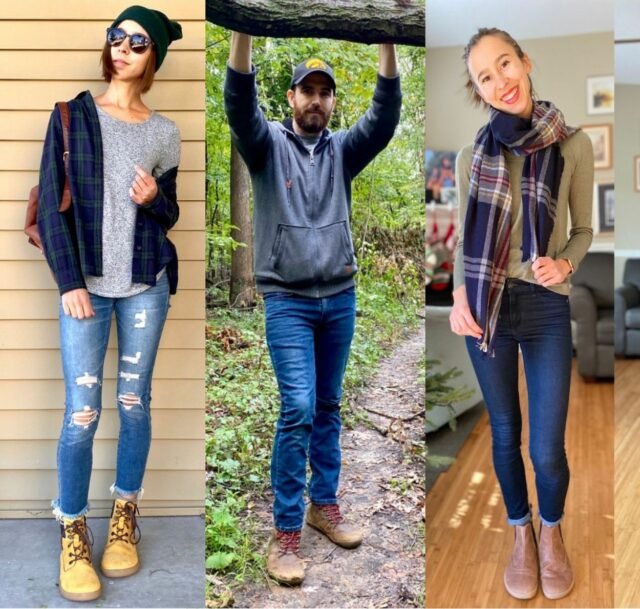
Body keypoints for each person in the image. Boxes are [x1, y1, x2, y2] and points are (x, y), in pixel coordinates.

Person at [223, 32, 400, 585]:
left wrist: (388, 43)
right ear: (292, 98)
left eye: (326, 92)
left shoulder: (343, 151)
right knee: (297, 408)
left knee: (327, 405)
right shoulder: (265, 146)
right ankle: (285, 536)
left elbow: (386, 117)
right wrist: (242, 27)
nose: (317, 100)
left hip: (340, 300)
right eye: (308, 90)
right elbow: (238, 100)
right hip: (289, 303)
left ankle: (324, 507)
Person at [36, 5, 182, 601]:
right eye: (116, 37)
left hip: (146, 284)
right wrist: (69, 282)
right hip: (87, 290)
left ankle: (124, 518)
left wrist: (153, 199)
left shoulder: (163, 132)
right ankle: (73, 528)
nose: (122, 47)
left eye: (138, 42)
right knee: (82, 412)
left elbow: (170, 214)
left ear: (153, 59)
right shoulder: (71, 117)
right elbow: (50, 203)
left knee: (134, 403)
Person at [447, 27, 593, 601]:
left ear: (525, 62)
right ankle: (520, 533)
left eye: (505, 64)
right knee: (504, 434)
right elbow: (464, 240)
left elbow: (584, 230)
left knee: (546, 446)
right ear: (479, 90)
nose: (500, 80)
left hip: (545, 305)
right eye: (486, 76)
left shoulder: (572, 145)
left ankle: (551, 534)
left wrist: (566, 265)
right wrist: (460, 296)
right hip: (487, 306)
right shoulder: (470, 156)